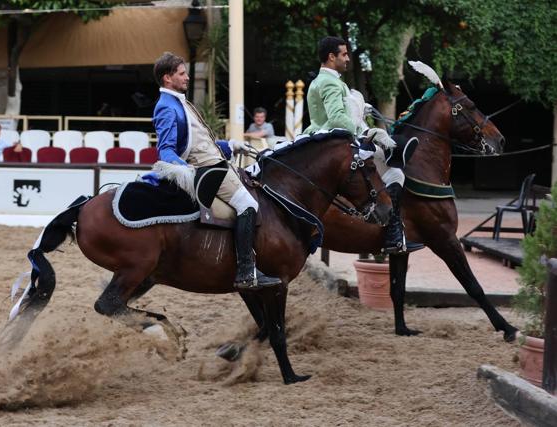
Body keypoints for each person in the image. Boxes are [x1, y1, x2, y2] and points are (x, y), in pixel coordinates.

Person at [151, 51, 281, 290]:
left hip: (218, 162)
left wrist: (229, 145)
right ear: (167, 78)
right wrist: (187, 172)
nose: (187, 77)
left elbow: (200, 142)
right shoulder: (166, 107)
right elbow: (166, 151)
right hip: (209, 170)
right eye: (182, 74)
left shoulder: (180, 102)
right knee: (248, 205)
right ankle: (246, 271)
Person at [304, 36, 422, 254]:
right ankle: (393, 234)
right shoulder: (330, 82)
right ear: (331, 57)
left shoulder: (327, 81)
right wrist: (369, 133)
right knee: (396, 174)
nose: (348, 58)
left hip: (324, 138)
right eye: (344, 54)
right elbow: (338, 118)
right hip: (335, 141)